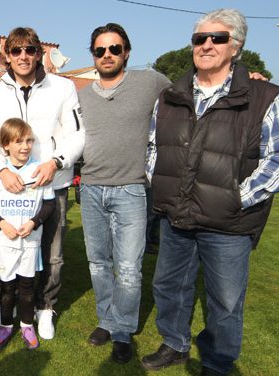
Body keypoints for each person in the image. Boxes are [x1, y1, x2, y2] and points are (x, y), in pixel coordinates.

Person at [142, 9, 279, 376]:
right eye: (199, 39)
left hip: (229, 223)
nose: (206, 45)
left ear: (235, 46)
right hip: (176, 216)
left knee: (226, 301)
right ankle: (174, 344)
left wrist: (237, 198)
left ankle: (218, 362)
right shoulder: (171, 94)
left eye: (217, 38)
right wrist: (161, 185)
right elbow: (154, 146)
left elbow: (275, 159)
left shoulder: (264, 96)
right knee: (170, 286)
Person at [0, 26, 84, 339]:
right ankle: (3, 305)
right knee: (7, 246)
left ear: (39, 53)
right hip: (9, 185)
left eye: (30, 50)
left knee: (51, 252)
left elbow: (77, 133)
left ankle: (45, 307)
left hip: (50, 182)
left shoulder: (63, 87)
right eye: (16, 50)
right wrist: (0, 170)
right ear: (7, 56)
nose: (23, 56)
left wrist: (56, 162)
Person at [77, 23, 170, 363]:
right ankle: (107, 319)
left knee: (129, 268)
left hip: (132, 190)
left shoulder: (150, 82)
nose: (107, 55)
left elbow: (191, 92)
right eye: (100, 50)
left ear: (126, 52)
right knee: (99, 263)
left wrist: (245, 79)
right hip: (90, 188)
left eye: (114, 49)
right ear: (93, 55)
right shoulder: (82, 95)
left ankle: (122, 331)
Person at [0, 118, 55, 350]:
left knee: (26, 287)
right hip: (5, 244)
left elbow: (49, 205)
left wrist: (34, 222)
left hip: (30, 243)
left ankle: (26, 325)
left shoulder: (39, 170)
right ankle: (5, 325)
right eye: (18, 142)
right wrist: (2, 223)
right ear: (5, 145)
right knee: (6, 289)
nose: (25, 146)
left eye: (29, 141)